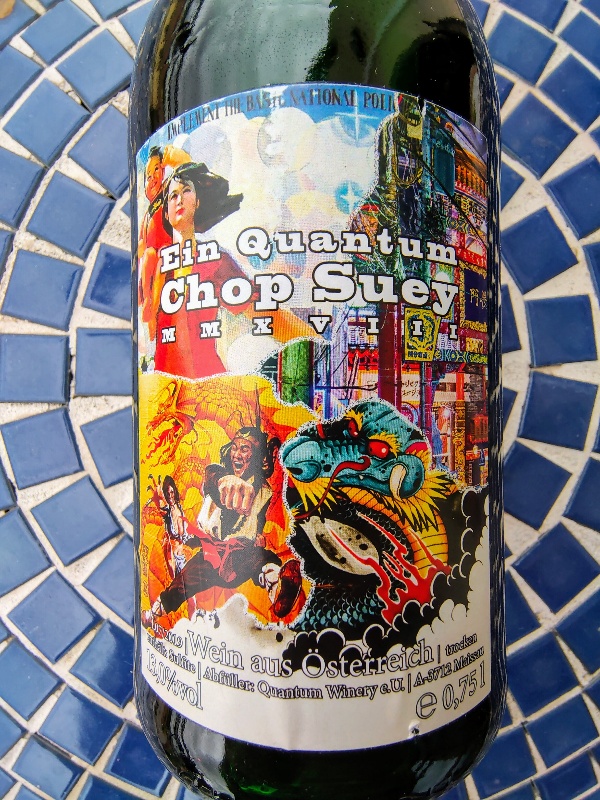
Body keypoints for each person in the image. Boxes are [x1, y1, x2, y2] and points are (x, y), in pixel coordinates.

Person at [152, 162, 316, 378]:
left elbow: (265, 311)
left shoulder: (214, 260)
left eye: (186, 191)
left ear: (197, 202)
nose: (179, 199)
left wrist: (315, 344)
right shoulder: (158, 265)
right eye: (173, 196)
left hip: (204, 384)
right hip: (162, 384)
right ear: (165, 213)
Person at [143, 426, 303, 624]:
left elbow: (257, 519)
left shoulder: (264, 490)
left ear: (257, 455)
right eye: (234, 447)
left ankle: (277, 587)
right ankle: (152, 615)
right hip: (210, 555)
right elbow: (212, 477)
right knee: (181, 584)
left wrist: (257, 536)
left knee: (263, 558)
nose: (237, 454)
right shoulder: (216, 474)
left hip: (239, 557)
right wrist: (224, 481)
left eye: (244, 449)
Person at [138, 145, 191, 342]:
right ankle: (147, 303)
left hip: (167, 254)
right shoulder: (147, 213)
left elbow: (185, 167)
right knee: (149, 255)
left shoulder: (167, 191)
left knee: (157, 258)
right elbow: (142, 243)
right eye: (148, 175)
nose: (152, 178)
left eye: (157, 170)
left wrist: (169, 156)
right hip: (149, 263)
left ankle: (151, 308)